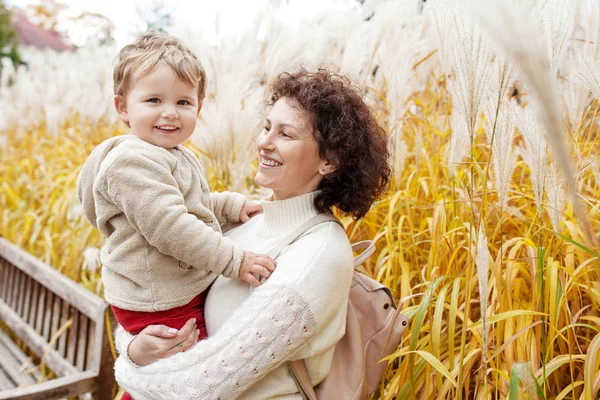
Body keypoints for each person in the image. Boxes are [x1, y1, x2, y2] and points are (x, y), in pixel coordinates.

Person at [113, 68, 391, 400]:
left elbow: (196, 388)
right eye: (266, 127)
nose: (264, 143)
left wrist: (127, 365)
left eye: (285, 135)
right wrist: (134, 347)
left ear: (329, 160)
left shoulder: (318, 256)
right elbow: (156, 302)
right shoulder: (246, 221)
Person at [76, 31, 277, 396]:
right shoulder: (133, 162)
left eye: (183, 102)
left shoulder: (172, 153)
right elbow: (171, 227)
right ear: (123, 107)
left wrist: (232, 206)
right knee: (175, 380)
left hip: (171, 288)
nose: (170, 112)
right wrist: (236, 260)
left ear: (198, 107)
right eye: (154, 99)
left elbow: (190, 205)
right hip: (159, 299)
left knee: (174, 372)